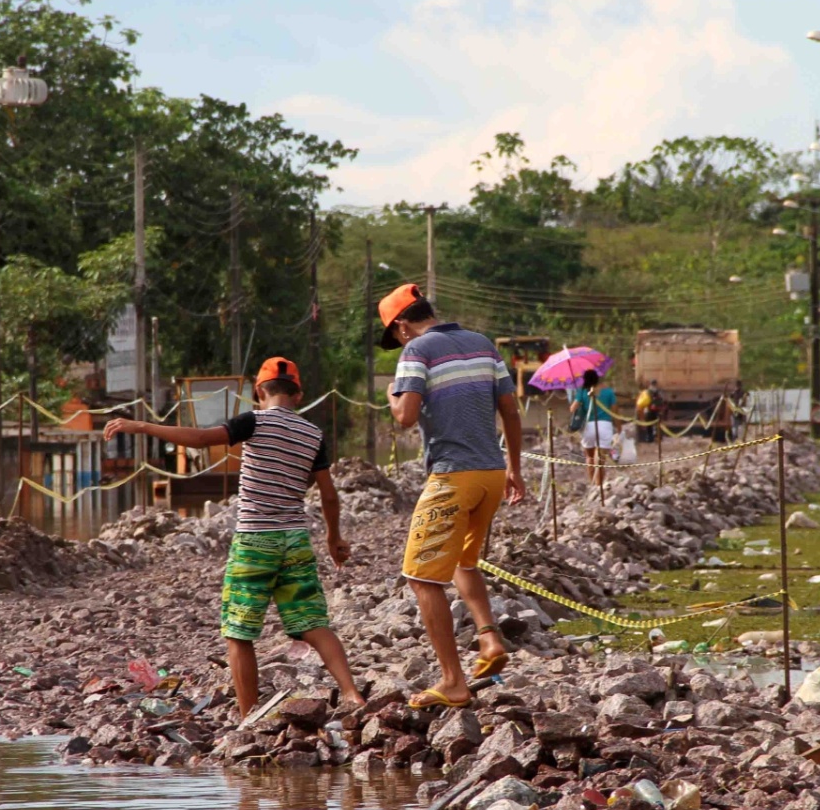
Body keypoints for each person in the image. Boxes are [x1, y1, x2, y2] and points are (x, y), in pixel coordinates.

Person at [103, 357, 364, 718]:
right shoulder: (313, 434)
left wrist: (143, 426)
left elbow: (198, 439)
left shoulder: (253, 421)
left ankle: (248, 717)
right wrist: (334, 538)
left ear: (259, 391)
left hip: (255, 539)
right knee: (314, 623)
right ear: (298, 394)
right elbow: (329, 494)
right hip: (295, 539)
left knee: (239, 632)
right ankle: (352, 694)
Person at [377, 283, 525, 710]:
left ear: (402, 325)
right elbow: (511, 412)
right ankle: (489, 639)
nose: (399, 341)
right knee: (463, 560)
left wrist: (393, 395)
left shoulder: (416, 351)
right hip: (492, 473)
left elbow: (405, 417)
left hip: (452, 476)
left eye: (396, 334)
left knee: (422, 578)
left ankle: (453, 681)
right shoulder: (482, 344)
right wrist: (515, 468)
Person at [571, 369, 616, 491]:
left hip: (589, 426)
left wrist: (578, 399)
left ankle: (594, 485)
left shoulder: (582, 391)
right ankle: (600, 484)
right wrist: (619, 426)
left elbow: (572, 408)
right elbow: (615, 410)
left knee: (589, 456)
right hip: (605, 425)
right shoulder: (608, 391)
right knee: (601, 457)